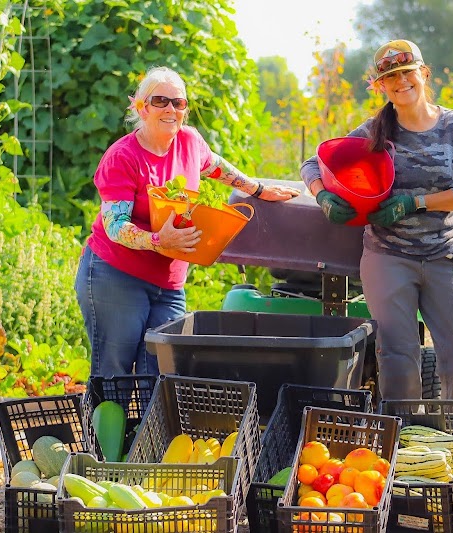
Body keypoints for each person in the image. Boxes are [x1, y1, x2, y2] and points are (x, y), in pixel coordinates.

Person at [75, 66, 299, 378]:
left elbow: (216, 166)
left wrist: (258, 189)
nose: (170, 109)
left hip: (169, 282)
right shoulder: (123, 157)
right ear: (141, 107)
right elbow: (115, 225)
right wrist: (157, 241)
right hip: (116, 276)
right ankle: (103, 428)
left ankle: (147, 429)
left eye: (178, 103)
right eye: (160, 101)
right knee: (115, 369)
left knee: (163, 367)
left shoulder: (189, 141)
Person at [300, 39, 453, 405]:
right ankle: (406, 443)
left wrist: (413, 203)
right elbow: (311, 163)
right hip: (388, 256)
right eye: (390, 77)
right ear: (381, 86)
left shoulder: (452, 125)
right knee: (399, 358)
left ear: (423, 73)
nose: (401, 82)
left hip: (442, 256)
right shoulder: (375, 131)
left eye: (406, 72)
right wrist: (322, 195)